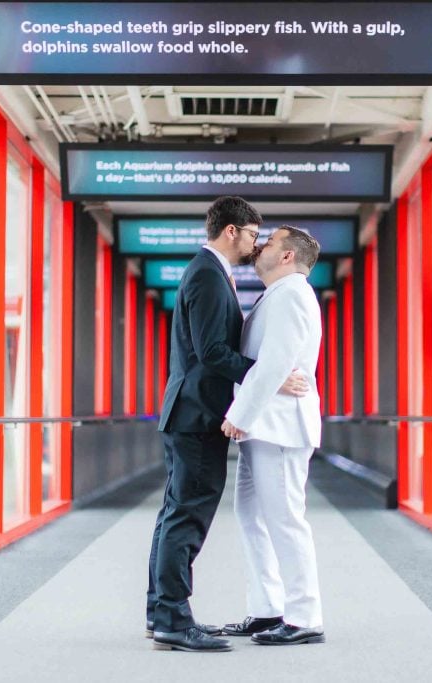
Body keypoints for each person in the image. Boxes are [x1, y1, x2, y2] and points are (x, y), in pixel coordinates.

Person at [147, 198, 308, 653]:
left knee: (174, 515)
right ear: (233, 231)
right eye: (254, 236)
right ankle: (174, 621)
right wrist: (270, 377)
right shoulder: (208, 275)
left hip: (190, 412)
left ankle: (161, 613)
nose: (256, 246)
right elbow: (212, 353)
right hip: (197, 415)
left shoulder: (208, 272)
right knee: (187, 518)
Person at [220, 226, 326, 646]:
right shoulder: (277, 294)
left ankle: (304, 617)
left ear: (287, 257)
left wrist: (239, 414)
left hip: (279, 426)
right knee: (251, 516)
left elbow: (277, 360)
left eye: (270, 241)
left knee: (284, 520)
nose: (260, 245)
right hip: (266, 426)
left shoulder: (293, 293)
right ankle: (267, 609)